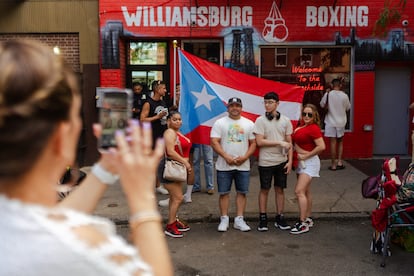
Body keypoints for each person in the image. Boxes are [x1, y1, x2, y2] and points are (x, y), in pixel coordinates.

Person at [0, 39, 173, 275]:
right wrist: (143, 201)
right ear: (61, 136)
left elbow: (51, 223)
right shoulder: (82, 250)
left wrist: (105, 169)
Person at [210, 97, 256, 232]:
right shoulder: (220, 123)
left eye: (237, 105)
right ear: (228, 107)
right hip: (224, 165)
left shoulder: (249, 124)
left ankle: (239, 219)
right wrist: (226, 156)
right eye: (232, 106)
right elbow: (214, 141)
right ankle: (224, 219)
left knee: (242, 192)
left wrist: (245, 157)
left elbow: (254, 143)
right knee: (224, 193)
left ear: (241, 108)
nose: (234, 108)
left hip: (243, 165)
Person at [253, 92, 293, 232]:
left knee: (280, 189)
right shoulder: (260, 120)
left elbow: (289, 143)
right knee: (264, 189)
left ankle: (280, 217)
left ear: (277, 103)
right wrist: (278, 143)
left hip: (281, 161)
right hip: (266, 161)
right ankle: (263, 218)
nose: (267, 105)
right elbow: (259, 141)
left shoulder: (286, 121)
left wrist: (290, 161)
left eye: (270, 102)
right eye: (265, 102)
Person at [290, 104, 326, 234]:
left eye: (309, 114)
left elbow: (321, 146)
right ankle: (308, 218)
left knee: (299, 191)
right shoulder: (301, 126)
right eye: (304, 113)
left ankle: (302, 222)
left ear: (314, 116)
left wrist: (306, 155)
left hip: (309, 163)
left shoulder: (313, 128)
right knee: (305, 192)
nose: (306, 116)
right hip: (302, 163)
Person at [158, 111, 193, 238]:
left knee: (174, 198)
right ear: (168, 121)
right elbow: (170, 152)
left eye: (179, 119)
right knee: (178, 197)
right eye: (175, 119)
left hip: (177, 168)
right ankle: (170, 225)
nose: (178, 121)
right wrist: (186, 162)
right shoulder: (169, 133)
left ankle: (174, 220)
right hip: (170, 167)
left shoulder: (177, 133)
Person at [141, 80, 169, 195]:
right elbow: (142, 119)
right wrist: (157, 117)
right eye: (163, 88)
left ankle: (157, 185)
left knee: (159, 162)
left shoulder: (162, 102)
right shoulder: (148, 103)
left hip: (162, 135)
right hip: (151, 136)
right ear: (157, 89)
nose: (165, 90)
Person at [320, 78, 351, 170]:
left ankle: (333, 165)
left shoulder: (328, 94)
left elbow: (322, 105)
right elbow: (348, 108)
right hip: (341, 122)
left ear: (332, 85)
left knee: (332, 142)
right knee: (340, 142)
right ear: (340, 85)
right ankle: (340, 162)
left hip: (330, 121)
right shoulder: (344, 96)